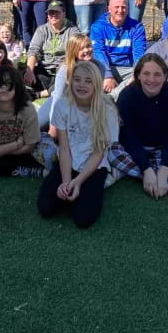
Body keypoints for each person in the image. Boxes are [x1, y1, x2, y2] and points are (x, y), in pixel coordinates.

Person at [110, 54, 168, 200]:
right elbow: (128, 137)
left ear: (165, 76)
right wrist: (146, 170)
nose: (151, 80)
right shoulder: (127, 96)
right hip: (134, 148)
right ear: (138, 76)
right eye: (146, 74)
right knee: (111, 152)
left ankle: (130, 173)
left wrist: (164, 171)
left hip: (162, 149)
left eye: (157, 74)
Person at [37, 61, 118, 228]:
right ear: (70, 81)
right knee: (45, 208)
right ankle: (70, 188)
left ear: (96, 83)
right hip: (69, 161)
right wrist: (66, 183)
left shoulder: (108, 110)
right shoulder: (62, 105)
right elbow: (64, 148)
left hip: (94, 166)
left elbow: (98, 153)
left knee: (83, 218)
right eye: (77, 79)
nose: (81, 85)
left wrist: (78, 182)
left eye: (88, 81)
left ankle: (104, 180)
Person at [36, 33, 100, 129]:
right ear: (73, 51)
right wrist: (54, 125)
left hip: (84, 104)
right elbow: (58, 97)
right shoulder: (65, 69)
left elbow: (98, 94)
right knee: (37, 126)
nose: (87, 50)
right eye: (81, 48)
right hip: (62, 101)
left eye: (88, 46)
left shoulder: (99, 67)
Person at [90, 0, 147, 94]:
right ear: (109, 9)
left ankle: (112, 98)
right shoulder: (98, 27)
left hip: (128, 69)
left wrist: (135, 74)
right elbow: (99, 52)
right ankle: (119, 94)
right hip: (106, 67)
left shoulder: (137, 28)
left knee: (143, 78)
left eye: (124, 7)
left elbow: (139, 53)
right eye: (117, 7)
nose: (120, 10)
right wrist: (107, 75)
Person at [24, 0, 79, 97]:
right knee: (23, 73)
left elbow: (75, 53)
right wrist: (29, 72)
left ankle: (39, 94)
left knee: (68, 79)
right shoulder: (41, 30)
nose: (53, 15)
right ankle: (33, 89)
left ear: (64, 13)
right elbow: (33, 50)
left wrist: (64, 65)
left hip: (63, 70)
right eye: (51, 13)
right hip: (45, 70)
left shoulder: (73, 31)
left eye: (57, 12)